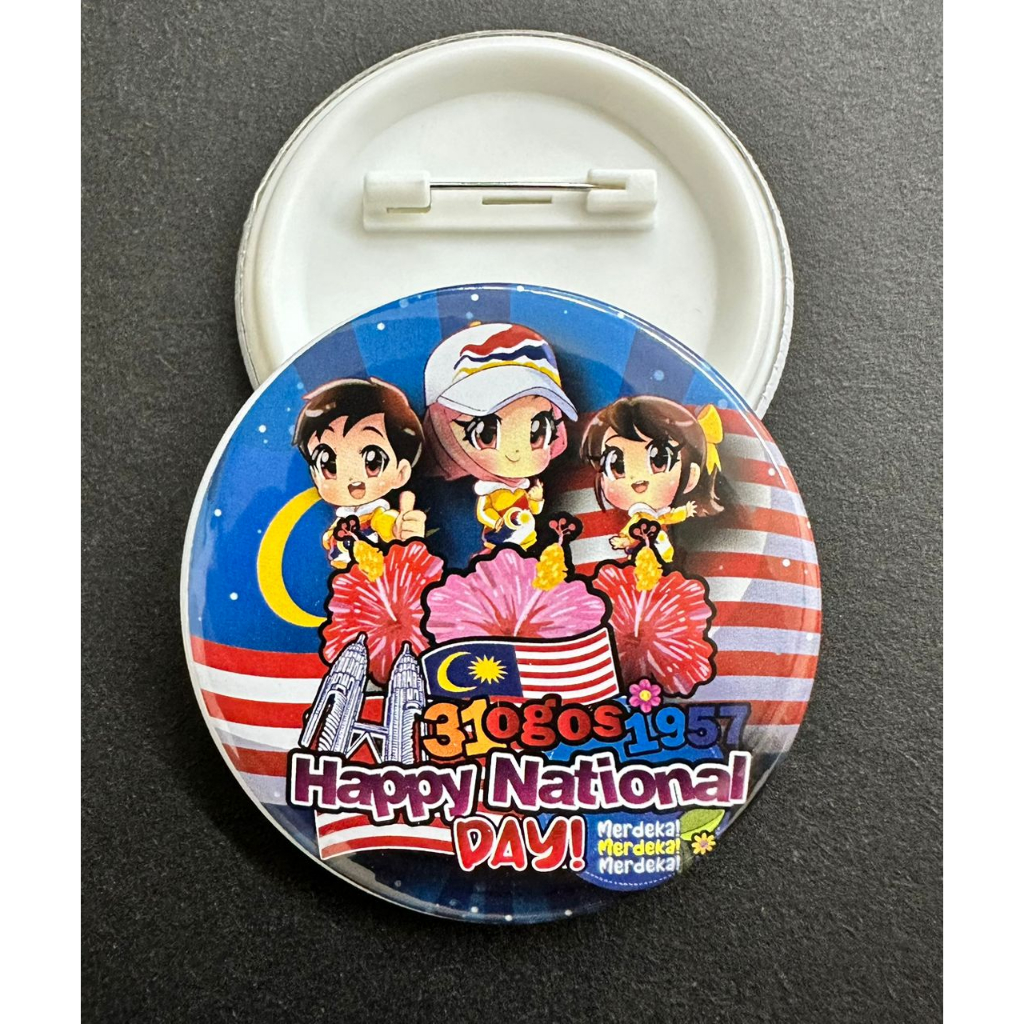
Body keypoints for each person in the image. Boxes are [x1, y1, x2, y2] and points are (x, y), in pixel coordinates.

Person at [423, 322, 577, 552]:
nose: (515, 453)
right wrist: (498, 523)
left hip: (526, 544)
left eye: (538, 432)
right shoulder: (478, 494)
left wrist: (536, 499)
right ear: (441, 429)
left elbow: (533, 510)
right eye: (486, 434)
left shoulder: (522, 486)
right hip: (497, 542)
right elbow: (484, 513)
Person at [293, 378, 426, 567]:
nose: (351, 478)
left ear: (401, 473)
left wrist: (403, 530)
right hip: (347, 580)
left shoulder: (378, 517)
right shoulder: (341, 522)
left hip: (381, 579)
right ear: (315, 477)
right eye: (329, 466)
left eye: (372, 462)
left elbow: (390, 527)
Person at [580, 396, 725, 564]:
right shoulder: (641, 517)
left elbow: (668, 517)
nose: (636, 478)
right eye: (617, 467)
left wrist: (685, 511)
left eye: (659, 460)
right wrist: (625, 540)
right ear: (603, 481)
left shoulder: (695, 535)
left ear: (691, 476)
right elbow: (634, 529)